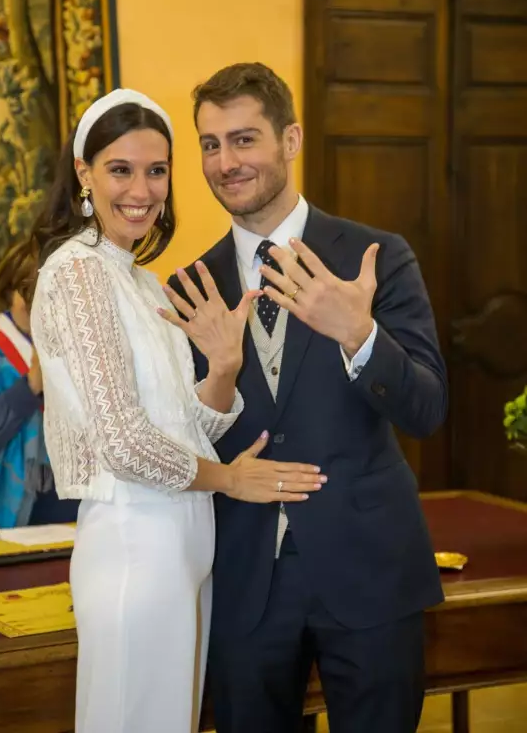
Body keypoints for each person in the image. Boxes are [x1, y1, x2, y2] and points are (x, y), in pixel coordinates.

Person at [28, 88, 326, 733]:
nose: (141, 189)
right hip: (136, 541)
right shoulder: (75, 272)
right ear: (84, 173)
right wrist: (230, 480)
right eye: (120, 169)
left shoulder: (139, 280)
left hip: (186, 541)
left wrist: (222, 370)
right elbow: (124, 445)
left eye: (156, 170)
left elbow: (193, 430)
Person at [166, 63, 448, 733]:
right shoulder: (188, 287)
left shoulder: (375, 256)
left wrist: (359, 333)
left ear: (289, 140)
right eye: (210, 144)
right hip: (241, 580)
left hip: (369, 567)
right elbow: (178, 443)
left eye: (243, 139)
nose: (225, 162)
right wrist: (222, 375)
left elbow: (427, 410)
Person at [0, 240, 78, 527]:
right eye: (28, 290)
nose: (38, 300)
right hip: (13, 503)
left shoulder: (72, 345)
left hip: (68, 495)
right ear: (9, 291)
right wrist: (30, 386)